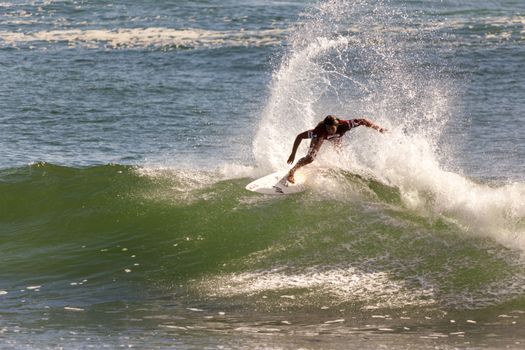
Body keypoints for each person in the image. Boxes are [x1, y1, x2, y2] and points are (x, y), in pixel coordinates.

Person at [286, 115, 386, 183]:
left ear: (336, 125)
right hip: (320, 138)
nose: (330, 130)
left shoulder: (345, 125)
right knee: (310, 158)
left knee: (340, 154)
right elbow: (300, 136)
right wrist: (293, 154)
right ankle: (292, 171)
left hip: (336, 138)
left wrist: (379, 128)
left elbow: (363, 121)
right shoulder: (319, 131)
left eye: (332, 128)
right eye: (328, 128)